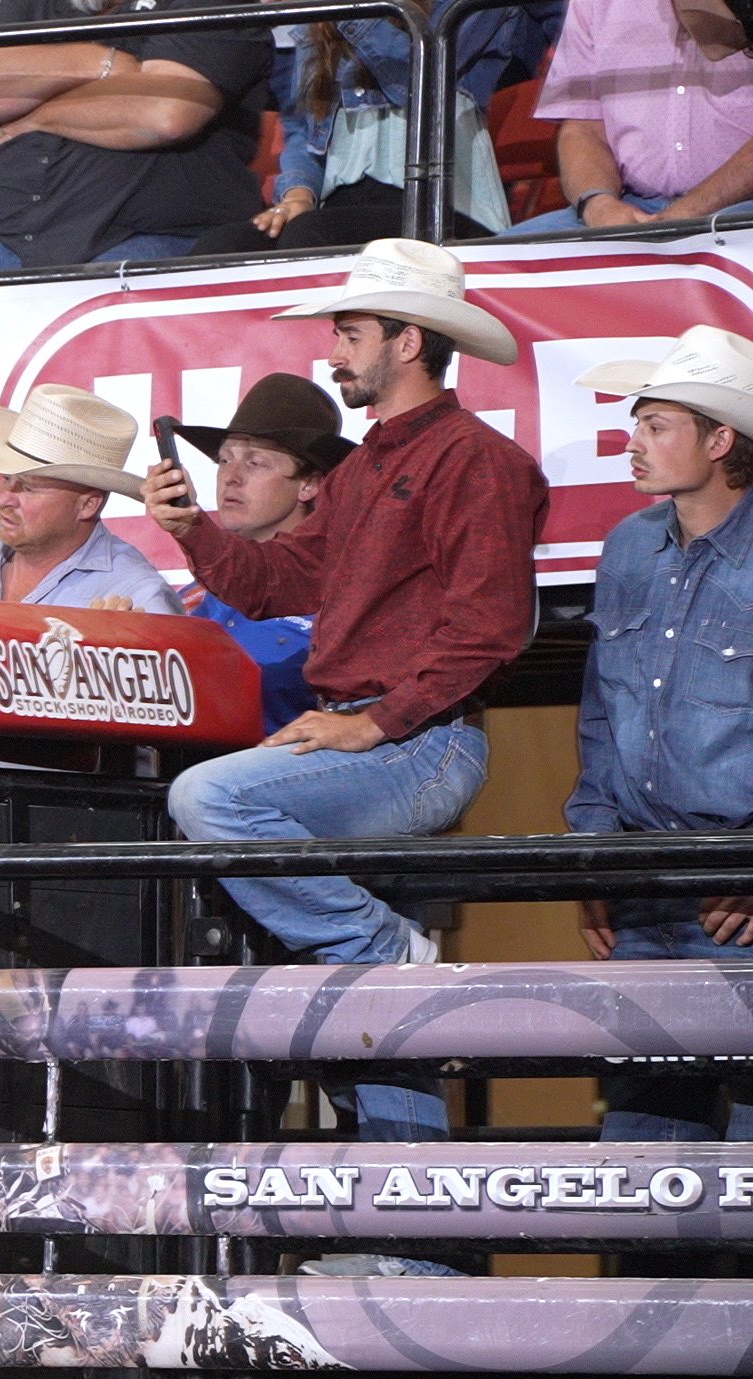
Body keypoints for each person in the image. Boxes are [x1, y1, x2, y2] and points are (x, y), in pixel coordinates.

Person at [148, 239, 546, 1141]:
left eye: (351, 331)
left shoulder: (476, 461)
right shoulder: (369, 468)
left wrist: (372, 728)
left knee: (208, 794)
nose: (334, 350)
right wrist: (191, 531)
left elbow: (488, 630)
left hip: (417, 738)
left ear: (409, 343)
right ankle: (413, 1238)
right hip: (390, 737)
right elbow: (275, 583)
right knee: (367, 1009)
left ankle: (379, 949)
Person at [569, 327, 753, 1141]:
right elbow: (602, 713)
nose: (634, 443)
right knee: (641, 1164)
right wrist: (592, 855)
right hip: (645, 884)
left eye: (657, 425)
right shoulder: (628, 547)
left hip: (737, 897)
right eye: (637, 423)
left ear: (720, 440)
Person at [0, 0, 275, 276]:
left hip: (151, 237)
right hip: (8, 241)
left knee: (73, 316)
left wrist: (36, 113)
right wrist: (106, 63)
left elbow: (165, 113)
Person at [165, 374, 348, 726]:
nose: (231, 477)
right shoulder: (195, 593)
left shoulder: (336, 596)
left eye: (255, 463)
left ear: (309, 484)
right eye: (224, 460)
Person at [257, 11, 515, 250]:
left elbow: (422, 75)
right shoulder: (321, 21)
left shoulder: (460, 8)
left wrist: (353, 12)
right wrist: (298, 195)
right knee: (235, 243)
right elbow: (303, 130)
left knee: (308, 236)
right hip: (339, 204)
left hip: (440, 206)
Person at [507, 0, 753, 233]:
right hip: (634, 208)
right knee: (492, 266)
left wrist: (687, 213)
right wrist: (599, 205)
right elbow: (583, 128)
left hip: (740, 206)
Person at [0, 384, 177, 611]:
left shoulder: (138, 595)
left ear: (89, 504)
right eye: (6, 479)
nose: (6, 498)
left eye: (28, 488)